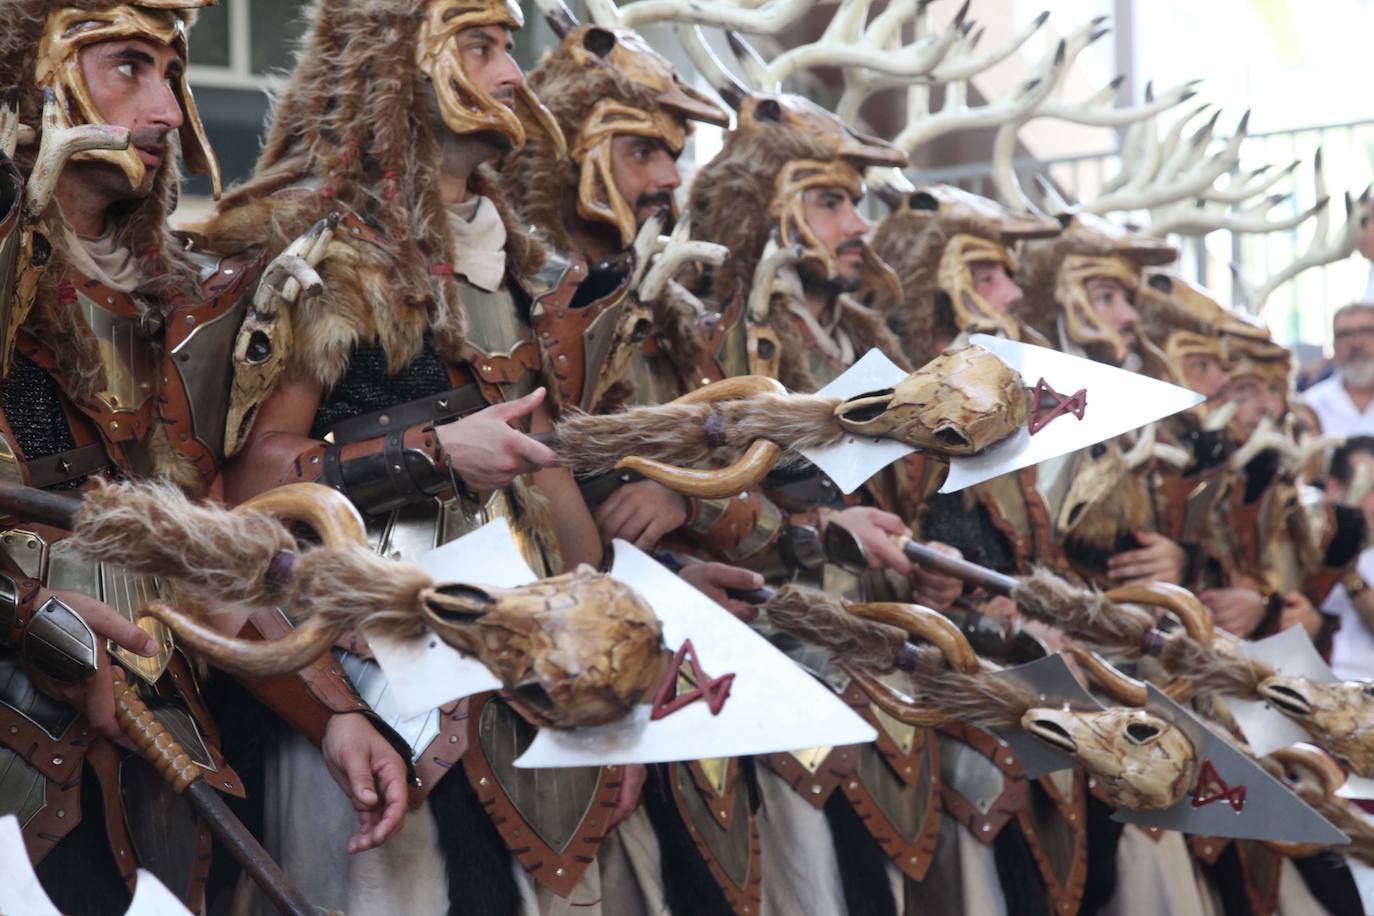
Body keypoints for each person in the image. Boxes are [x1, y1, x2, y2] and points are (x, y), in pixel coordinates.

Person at [0, 2, 403, 912]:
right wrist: (29, 618)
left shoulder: (182, 311)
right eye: (129, 66)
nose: (169, 111)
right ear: (42, 73)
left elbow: (200, 546)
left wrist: (336, 715)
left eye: (173, 75)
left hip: (166, 735)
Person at [1323, 435, 1374, 679]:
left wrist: (1349, 573)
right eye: (1369, 488)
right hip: (1296, 679)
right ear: (1335, 488)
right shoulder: (1300, 537)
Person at [1304, 302, 1374, 436]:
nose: (1356, 342)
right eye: (1345, 334)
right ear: (1334, 344)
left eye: (1366, 331)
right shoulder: (1312, 404)